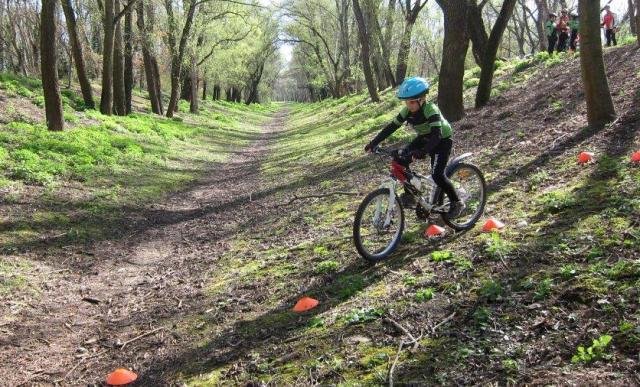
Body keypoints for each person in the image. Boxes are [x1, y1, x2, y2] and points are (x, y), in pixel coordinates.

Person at [364, 77, 465, 218]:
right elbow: (392, 127)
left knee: (437, 175)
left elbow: (437, 135)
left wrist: (423, 151)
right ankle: (410, 194)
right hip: (424, 137)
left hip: (442, 140)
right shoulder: (407, 111)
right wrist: (374, 142)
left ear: (422, 99)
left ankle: (457, 202)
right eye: (406, 102)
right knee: (400, 160)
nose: (409, 105)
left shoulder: (431, 109)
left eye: (412, 102)